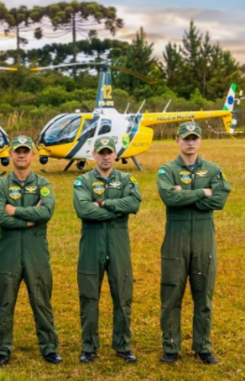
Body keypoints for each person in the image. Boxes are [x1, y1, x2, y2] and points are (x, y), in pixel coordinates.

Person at [156, 122, 231, 365]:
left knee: (203, 295)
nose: (190, 142)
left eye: (194, 138)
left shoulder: (213, 169)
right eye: (186, 138)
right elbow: (169, 196)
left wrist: (185, 196)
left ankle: (202, 346)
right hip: (175, 238)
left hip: (203, 237)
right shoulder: (167, 170)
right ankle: (170, 347)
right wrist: (202, 193)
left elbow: (219, 200)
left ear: (200, 141)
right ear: (176, 140)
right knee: (171, 294)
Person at [0, 135, 62, 366]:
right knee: (5, 301)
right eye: (17, 151)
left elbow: (47, 212)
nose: (21, 155)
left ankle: (49, 347)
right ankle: (2, 349)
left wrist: (15, 211)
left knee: (41, 299)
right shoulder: (0, 185)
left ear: (32, 155)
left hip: (36, 250)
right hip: (9, 250)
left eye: (26, 151)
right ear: (10, 155)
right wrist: (30, 218)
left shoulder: (43, 184)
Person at [72, 137, 142, 364]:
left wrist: (102, 204)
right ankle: (89, 346)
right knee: (89, 295)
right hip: (92, 243)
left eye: (109, 152)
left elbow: (133, 204)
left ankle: (122, 345)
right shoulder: (82, 181)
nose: (105, 156)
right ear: (93, 154)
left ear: (115, 154)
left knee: (122, 294)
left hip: (118, 242)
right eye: (101, 152)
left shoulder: (126, 179)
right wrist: (117, 209)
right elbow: (83, 210)